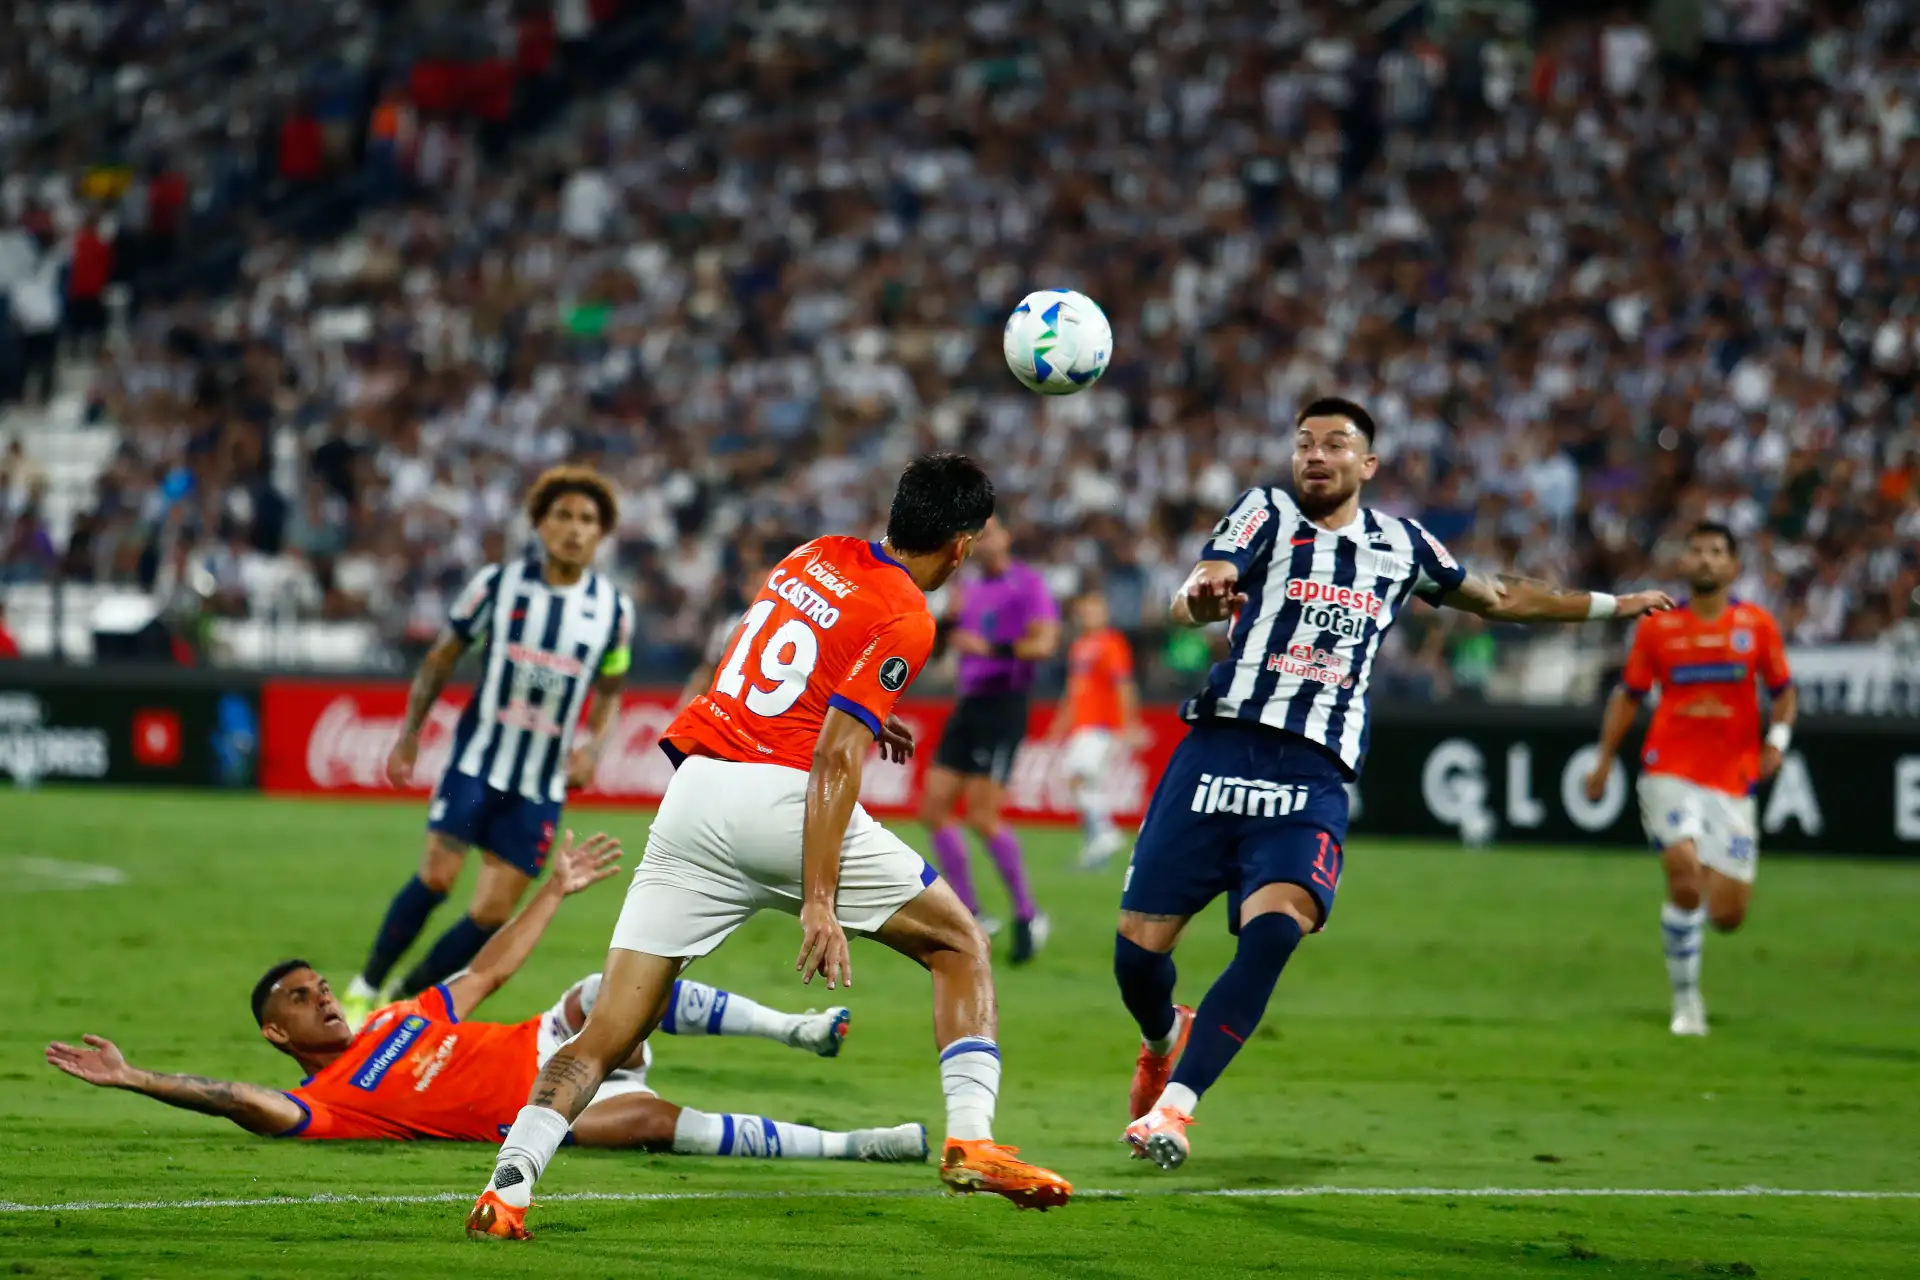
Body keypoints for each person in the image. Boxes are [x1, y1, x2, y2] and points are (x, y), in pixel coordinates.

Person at [465, 453, 1070, 1242]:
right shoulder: (910, 616)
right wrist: (818, 900)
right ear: (960, 547)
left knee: (608, 1031)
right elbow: (833, 758)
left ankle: (507, 1188)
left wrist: (852, 712)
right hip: (782, 801)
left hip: (695, 795)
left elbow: (763, 660)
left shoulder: (812, 554)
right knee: (960, 945)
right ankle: (970, 1138)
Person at [1115, 398, 1676, 1170]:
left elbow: (1500, 596)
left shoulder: (1401, 546)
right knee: (1137, 960)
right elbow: (1202, 585)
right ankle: (1162, 1037)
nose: (1315, 455)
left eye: (1336, 444)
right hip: (1217, 752)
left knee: (1277, 929)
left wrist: (1614, 606)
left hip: (1311, 772)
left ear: (1367, 466)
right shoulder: (1266, 512)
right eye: (1304, 442)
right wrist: (1197, 602)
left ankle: (1176, 1112)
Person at [46, 832, 925, 1162]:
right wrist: (136, 1079)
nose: (324, 999)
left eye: (319, 985)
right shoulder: (326, 1104)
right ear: (279, 1035)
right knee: (639, 1124)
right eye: (303, 1000)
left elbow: (490, 973)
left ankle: (799, 1031)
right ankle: (858, 1145)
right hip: (548, 1107)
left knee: (594, 990)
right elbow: (236, 1101)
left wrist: (554, 888)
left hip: (555, 1039)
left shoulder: (396, 1018)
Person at [340, 466, 634, 1030]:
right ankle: (365, 985)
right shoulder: (497, 586)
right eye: (563, 516)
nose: (575, 529)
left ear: (602, 534)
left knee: (493, 913)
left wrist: (595, 746)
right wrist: (409, 734)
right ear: (539, 524)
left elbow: (612, 690)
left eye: (588, 520)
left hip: (541, 783)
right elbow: (441, 658)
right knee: (436, 878)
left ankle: (405, 999)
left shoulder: (615, 612)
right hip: (475, 763)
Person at [1582, 521, 1795, 1037]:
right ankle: (1686, 1003)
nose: (1704, 559)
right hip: (1668, 770)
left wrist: (1777, 742)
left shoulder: (1757, 626)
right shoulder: (1658, 627)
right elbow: (1628, 696)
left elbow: (1784, 692)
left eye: (1715, 552)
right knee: (1682, 872)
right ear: (1683, 563)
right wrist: (1605, 759)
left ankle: (1693, 950)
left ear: (1733, 566)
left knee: (1727, 914)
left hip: (1733, 780)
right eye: (1695, 550)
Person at [920, 516, 1061, 963]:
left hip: (1004, 705)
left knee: (982, 816)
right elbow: (946, 646)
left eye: (992, 532)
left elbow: (1045, 644)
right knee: (933, 809)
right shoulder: (967, 589)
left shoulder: (1028, 585)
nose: (985, 541)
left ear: (1008, 538)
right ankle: (974, 912)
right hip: (969, 703)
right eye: (977, 536)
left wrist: (991, 649)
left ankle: (1027, 913)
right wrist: (945, 631)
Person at [1041, 590, 1145, 870]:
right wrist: (1060, 723)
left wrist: (1130, 723)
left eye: (1094, 610)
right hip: (1081, 725)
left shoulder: (1112, 644)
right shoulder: (1080, 646)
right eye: (1085, 611)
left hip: (1101, 725)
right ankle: (1094, 845)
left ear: (1105, 614)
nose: (1089, 616)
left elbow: (1124, 685)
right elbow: (1073, 691)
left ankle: (1106, 833)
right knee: (1085, 784)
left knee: (1077, 780)